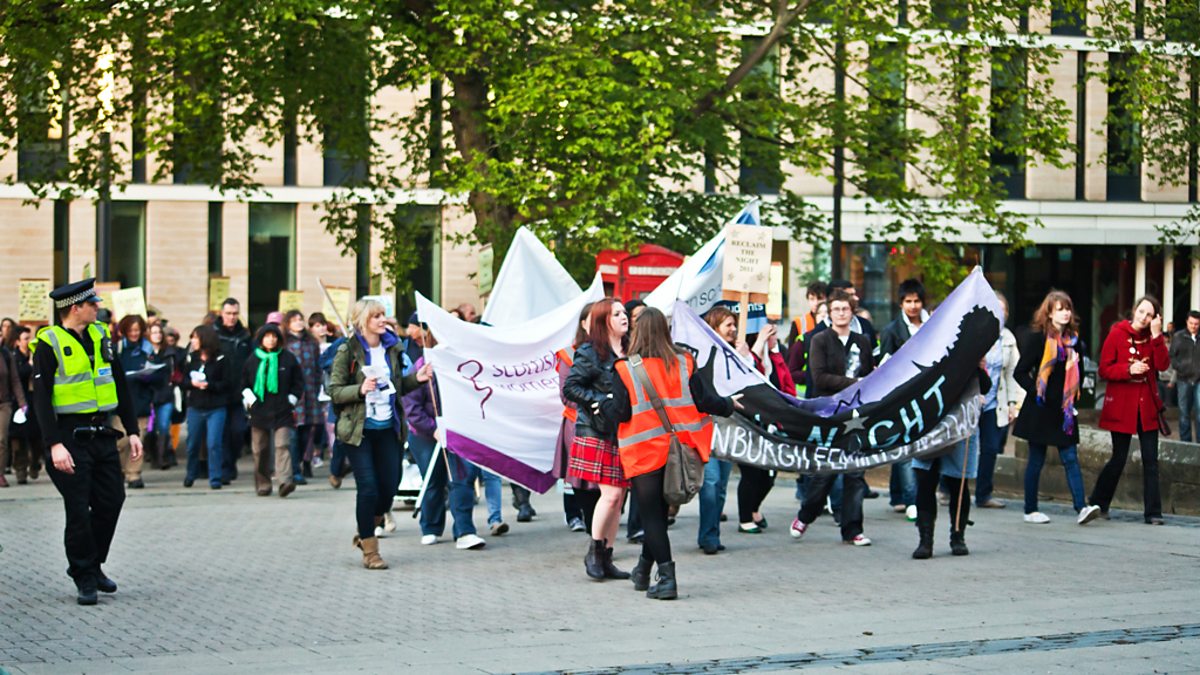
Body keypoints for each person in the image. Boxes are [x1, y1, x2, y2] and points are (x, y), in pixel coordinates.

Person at [601, 307, 737, 599]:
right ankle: (642, 569)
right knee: (659, 515)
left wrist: (602, 408)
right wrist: (729, 405)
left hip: (644, 452)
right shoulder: (686, 362)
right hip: (680, 450)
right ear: (665, 331)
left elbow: (621, 413)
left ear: (638, 333)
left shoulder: (625, 369)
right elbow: (705, 401)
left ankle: (666, 578)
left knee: (652, 517)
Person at [33, 278, 144, 605]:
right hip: (68, 437)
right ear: (75, 308)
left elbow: (120, 385)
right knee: (79, 509)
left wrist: (132, 429)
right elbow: (41, 399)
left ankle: (93, 564)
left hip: (102, 434)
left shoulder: (101, 336)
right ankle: (84, 575)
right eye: (92, 303)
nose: (98, 307)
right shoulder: (48, 343)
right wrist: (54, 444)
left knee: (113, 500)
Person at [328, 299, 432, 569]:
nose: (382, 320)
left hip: (389, 427)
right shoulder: (347, 350)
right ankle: (370, 550)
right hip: (358, 429)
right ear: (362, 320)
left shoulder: (393, 348)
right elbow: (335, 391)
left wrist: (416, 379)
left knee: (388, 488)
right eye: (376, 316)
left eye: (384, 315)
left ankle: (366, 530)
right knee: (368, 487)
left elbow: (398, 385)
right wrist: (360, 389)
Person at [789, 290, 874, 547]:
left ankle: (852, 529)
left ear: (852, 312)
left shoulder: (863, 341)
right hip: (828, 413)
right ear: (829, 312)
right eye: (836, 309)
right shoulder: (819, 340)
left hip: (857, 414)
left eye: (845, 309)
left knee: (855, 473)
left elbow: (870, 375)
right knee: (825, 472)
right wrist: (854, 382)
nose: (840, 313)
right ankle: (806, 514)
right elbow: (819, 377)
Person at [1012, 290, 1094, 525]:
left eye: (1068, 308)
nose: (1066, 313)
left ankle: (1082, 507)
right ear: (1049, 312)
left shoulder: (1075, 341)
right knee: (1036, 459)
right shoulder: (1037, 338)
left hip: (1064, 411)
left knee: (1070, 457)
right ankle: (1030, 510)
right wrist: (1038, 392)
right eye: (1060, 309)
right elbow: (1019, 372)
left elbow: (1078, 375)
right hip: (1040, 409)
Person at [564, 298, 631, 581]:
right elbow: (571, 386)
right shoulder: (591, 351)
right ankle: (594, 550)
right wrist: (600, 401)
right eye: (617, 313)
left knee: (619, 498)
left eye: (625, 312)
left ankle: (607, 556)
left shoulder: (632, 349)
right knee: (611, 494)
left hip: (626, 430)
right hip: (597, 429)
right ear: (605, 321)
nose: (624, 317)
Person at [1089, 296, 1168, 525]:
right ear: (1134, 311)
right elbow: (1105, 369)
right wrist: (1129, 369)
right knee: (1119, 458)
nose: (1144, 318)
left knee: (1151, 460)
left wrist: (1156, 335)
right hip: (1123, 404)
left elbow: (1162, 365)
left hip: (1146, 406)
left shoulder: (1154, 338)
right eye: (1142, 312)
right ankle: (1098, 502)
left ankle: (1153, 513)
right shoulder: (1117, 333)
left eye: (1150, 315)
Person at [912, 363, 991, 559]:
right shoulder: (923, 351)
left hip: (959, 425)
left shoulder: (967, 350)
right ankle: (925, 540)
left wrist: (978, 366)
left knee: (958, 481)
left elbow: (985, 385)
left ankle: (958, 536)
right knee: (925, 481)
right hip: (929, 426)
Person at [878, 279, 929, 521]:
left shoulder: (933, 326)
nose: (913, 306)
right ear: (901, 304)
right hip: (901, 396)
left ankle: (897, 495)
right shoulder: (891, 331)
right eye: (908, 301)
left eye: (916, 301)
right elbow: (884, 366)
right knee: (905, 447)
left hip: (926, 395)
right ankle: (910, 499)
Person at [242, 323, 304, 497]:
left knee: (282, 445)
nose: (271, 339)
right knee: (260, 450)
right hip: (259, 411)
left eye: (274, 336)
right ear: (261, 339)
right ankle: (263, 483)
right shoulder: (253, 359)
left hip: (282, 411)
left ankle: (285, 481)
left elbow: (298, 383)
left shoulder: (288, 358)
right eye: (267, 336)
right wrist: (251, 401)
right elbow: (244, 384)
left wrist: (292, 399)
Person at [697, 306, 738, 554]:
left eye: (734, 324)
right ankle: (708, 536)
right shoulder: (702, 357)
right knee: (710, 481)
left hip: (730, 428)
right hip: (708, 426)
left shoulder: (737, 356)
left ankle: (713, 532)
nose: (733, 329)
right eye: (728, 325)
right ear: (714, 329)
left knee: (722, 481)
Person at [976, 291, 1023, 509]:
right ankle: (948, 488)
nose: (1000, 313)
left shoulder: (1008, 339)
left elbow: (1013, 372)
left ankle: (983, 494)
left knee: (991, 447)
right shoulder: (974, 333)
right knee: (961, 445)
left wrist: (1014, 403)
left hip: (996, 402)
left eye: (1003, 310)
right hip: (972, 400)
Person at [555, 303, 596, 534]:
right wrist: (599, 403)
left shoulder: (620, 351)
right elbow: (566, 394)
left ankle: (601, 534)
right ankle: (586, 523)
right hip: (579, 425)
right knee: (581, 481)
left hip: (610, 427)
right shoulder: (569, 354)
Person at [114, 315, 163, 489]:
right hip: (120, 402)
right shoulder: (118, 349)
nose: (134, 334)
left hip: (141, 400)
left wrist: (147, 376)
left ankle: (134, 474)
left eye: (137, 330)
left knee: (138, 440)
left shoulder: (148, 350)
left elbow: (158, 375)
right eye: (131, 330)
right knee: (121, 441)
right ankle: (118, 470)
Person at [181, 325, 231, 490]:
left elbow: (227, 383)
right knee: (192, 443)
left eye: (195, 338)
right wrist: (192, 384)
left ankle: (215, 477)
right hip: (195, 406)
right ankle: (191, 473)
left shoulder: (221, 358)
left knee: (213, 443)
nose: (193, 341)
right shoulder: (191, 358)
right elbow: (182, 380)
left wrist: (209, 385)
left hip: (216, 407)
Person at [283, 310, 323, 483]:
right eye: (294, 320)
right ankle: (294, 468)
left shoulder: (311, 342)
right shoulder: (285, 343)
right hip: (292, 393)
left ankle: (305, 461)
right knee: (293, 432)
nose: (299, 322)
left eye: (301, 319)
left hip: (311, 391)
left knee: (308, 431)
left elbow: (317, 367)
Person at [215, 298, 252, 484]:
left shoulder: (244, 336)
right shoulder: (214, 335)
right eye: (228, 313)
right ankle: (225, 469)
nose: (231, 317)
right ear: (222, 313)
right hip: (219, 393)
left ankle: (232, 461)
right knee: (222, 434)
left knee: (238, 431)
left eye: (235, 313)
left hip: (239, 393)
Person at [7, 326, 42, 484]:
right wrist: (29, 365)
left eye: (30, 338)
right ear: (17, 342)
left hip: (36, 400)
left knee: (36, 437)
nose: (29, 342)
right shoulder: (15, 357)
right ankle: (21, 469)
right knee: (19, 437)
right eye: (25, 339)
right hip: (19, 401)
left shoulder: (37, 355)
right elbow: (17, 376)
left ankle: (35, 463)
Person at [145, 322, 181, 470]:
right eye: (154, 332)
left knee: (164, 426)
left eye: (159, 332)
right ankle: (153, 455)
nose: (157, 335)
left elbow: (176, 371)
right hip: (149, 394)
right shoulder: (145, 352)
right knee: (150, 429)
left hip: (166, 393)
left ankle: (162, 457)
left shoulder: (170, 353)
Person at [0, 323, 28, 488]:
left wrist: (22, 402)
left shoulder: (5, 354)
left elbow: (15, 380)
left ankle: (0, 472)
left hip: (4, 403)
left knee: (2, 439)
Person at [1169, 310, 1200, 442]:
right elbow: (1172, 357)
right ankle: (1185, 444)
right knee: (1184, 414)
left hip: (1199, 380)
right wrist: (1180, 368)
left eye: (1196, 324)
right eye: (1191, 323)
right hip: (1183, 380)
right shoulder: (1178, 337)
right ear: (1187, 322)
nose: (1193, 326)